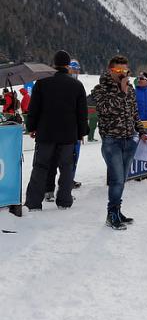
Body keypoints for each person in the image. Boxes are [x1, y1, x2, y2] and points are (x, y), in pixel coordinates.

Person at [92, 55, 147, 230]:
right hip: (112, 141)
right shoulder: (100, 89)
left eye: (125, 70)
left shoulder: (130, 89)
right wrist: (121, 92)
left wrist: (141, 131)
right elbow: (105, 109)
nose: (122, 74)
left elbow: (134, 113)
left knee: (122, 179)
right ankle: (112, 214)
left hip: (129, 140)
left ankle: (117, 210)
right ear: (110, 71)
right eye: (118, 70)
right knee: (116, 179)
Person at [24, 50, 88, 211]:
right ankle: (64, 201)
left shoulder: (42, 82)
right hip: (68, 135)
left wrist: (31, 127)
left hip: (45, 133)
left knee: (40, 167)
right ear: (68, 65)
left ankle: (33, 203)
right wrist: (81, 132)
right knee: (66, 167)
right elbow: (82, 113)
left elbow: (34, 109)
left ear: (54, 63)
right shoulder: (77, 85)